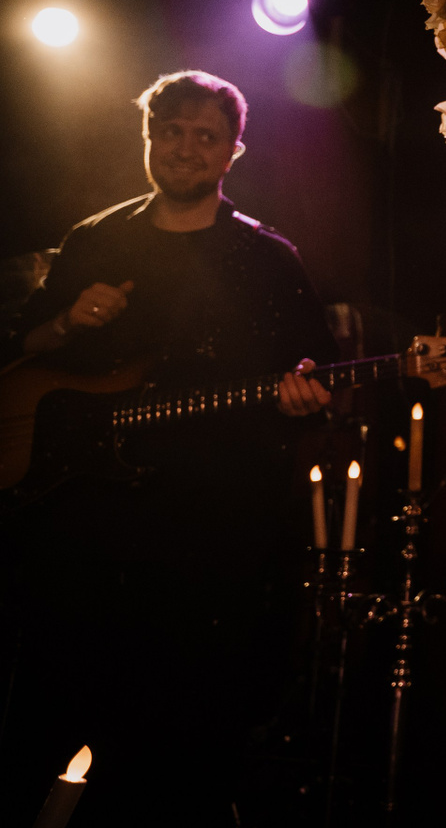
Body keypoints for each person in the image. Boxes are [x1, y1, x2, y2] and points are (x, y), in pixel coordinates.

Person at [0, 69, 335, 822]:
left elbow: (316, 377)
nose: (185, 148)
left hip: (203, 553)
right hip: (75, 542)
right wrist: (67, 323)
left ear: (232, 153)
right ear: (148, 138)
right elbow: (21, 349)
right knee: (35, 741)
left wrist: (305, 395)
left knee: (171, 766)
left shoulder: (267, 260)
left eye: (205, 136)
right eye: (171, 132)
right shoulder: (96, 239)